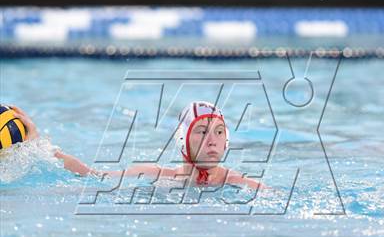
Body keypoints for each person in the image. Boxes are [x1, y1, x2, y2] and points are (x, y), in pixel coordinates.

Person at [9, 103, 265, 189]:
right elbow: (92, 176)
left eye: (219, 132)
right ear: (183, 139)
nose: (213, 140)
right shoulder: (154, 175)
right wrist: (38, 144)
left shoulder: (239, 183)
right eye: (202, 131)